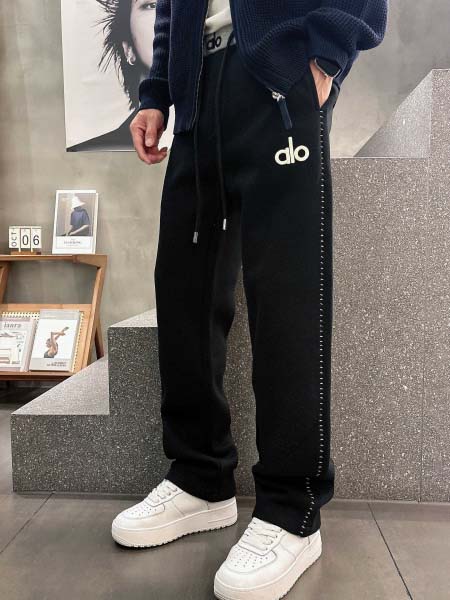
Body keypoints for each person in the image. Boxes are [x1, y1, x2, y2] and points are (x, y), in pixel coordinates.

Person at [112, 1, 388, 598]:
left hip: (277, 74)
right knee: (183, 291)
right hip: (197, 89)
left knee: (286, 297)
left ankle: (292, 508)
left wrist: (327, 57)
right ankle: (200, 477)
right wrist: (157, 91)